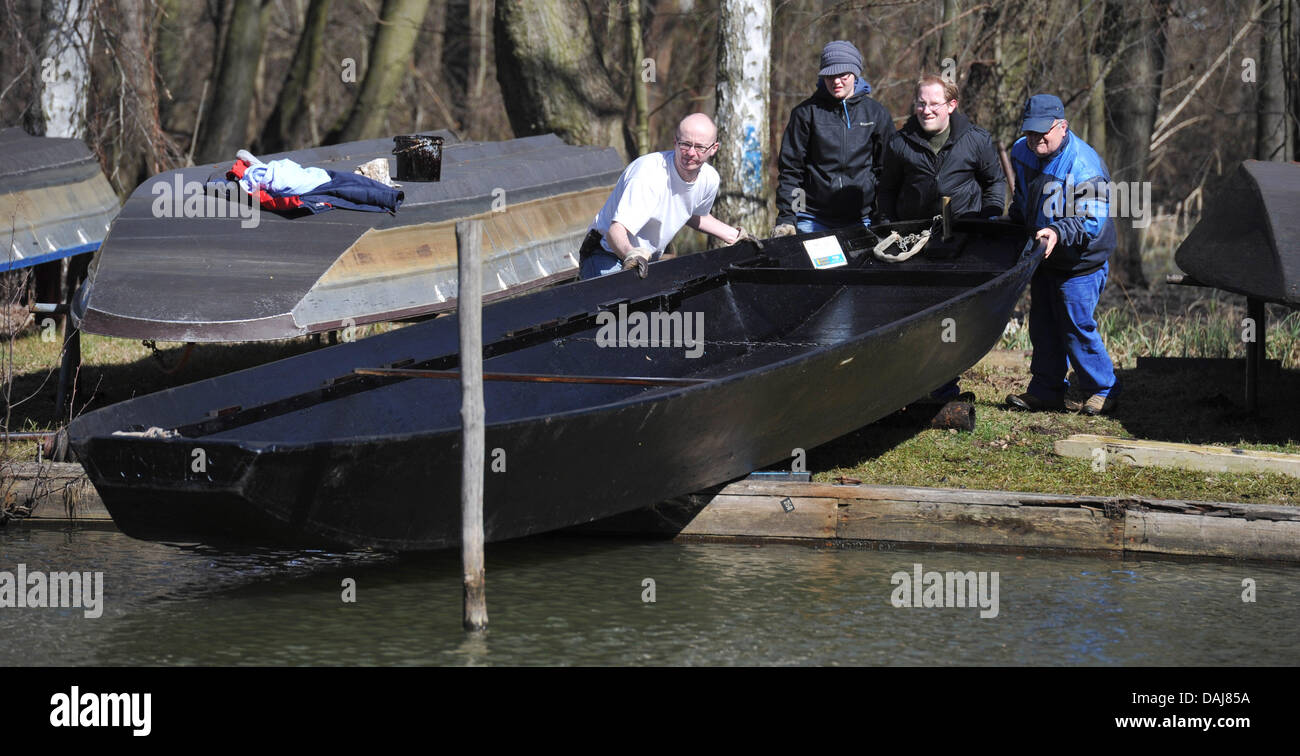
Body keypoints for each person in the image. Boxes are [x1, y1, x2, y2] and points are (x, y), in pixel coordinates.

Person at [877, 74, 1007, 401]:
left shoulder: (976, 139)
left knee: (953, 318)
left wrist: (988, 217)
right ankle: (912, 386)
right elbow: (887, 190)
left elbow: (995, 183)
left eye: (934, 103)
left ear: (951, 105)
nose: (926, 110)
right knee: (913, 315)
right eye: (921, 103)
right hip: (913, 242)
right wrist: (890, 226)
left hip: (961, 238)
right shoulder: (899, 143)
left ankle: (945, 387)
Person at [1004, 94, 1119, 415]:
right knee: (1042, 324)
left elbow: (1092, 221)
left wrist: (1057, 232)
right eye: (1030, 131)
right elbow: (1023, 197)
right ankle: (1046, 390)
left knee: (1075, 324)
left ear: (1063, 127)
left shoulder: (1085, 164)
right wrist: (1015, 223)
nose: (1035, 138)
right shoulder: (1020, 151)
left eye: (1043, 132)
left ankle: (1103, 388)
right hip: (1043, 254)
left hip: (1082, 261)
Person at [578, 113, 748, 279]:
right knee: (620, 307)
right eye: (685, 144)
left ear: (713, 149)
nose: (690, 153)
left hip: (645, 260)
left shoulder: (709, 179)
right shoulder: (648, 175)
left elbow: (693, 214)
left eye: (700, 147)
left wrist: (734, 235)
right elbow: (615, 232)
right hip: (606, 255)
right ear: (675, 141)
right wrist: (632, 255)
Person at [773, 40, 894, 236]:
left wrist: (885, 215)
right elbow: (791, 170)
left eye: (842, 75)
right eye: (830, 75)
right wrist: (787, 217)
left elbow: (887, 172)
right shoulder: (805, 113)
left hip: (862, 218)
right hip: (811, 218)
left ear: (855, 74)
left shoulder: (876, 114)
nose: (836, 81)